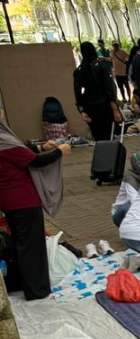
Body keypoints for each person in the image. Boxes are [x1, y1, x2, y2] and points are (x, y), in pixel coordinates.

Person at [0, 111, 68, 300]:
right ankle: (36, 290)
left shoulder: (5, 140)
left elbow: (21, 154)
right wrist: (59, 151)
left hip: (9, 200)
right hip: (22, 199)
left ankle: (21, 283)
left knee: (20, 244)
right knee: (31, 246)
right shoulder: (2, 140)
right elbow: (35, 161)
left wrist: (40, 147)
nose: (3, 112)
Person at [73, 40, 122, 142]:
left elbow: (77, 92)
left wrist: (81, 110)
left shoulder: (79, 71)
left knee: (98, 137)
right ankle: (109, 156)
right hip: (104, 106)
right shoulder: (101, 67)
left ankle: (101, 155)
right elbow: (109, 89)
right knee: (109, 136)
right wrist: (115, 109)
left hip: (89, 107)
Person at [109, 148, 140, 226]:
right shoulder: (130, 179)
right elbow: (135, 202)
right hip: (121, 214)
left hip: (138, 210)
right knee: (130, 207)